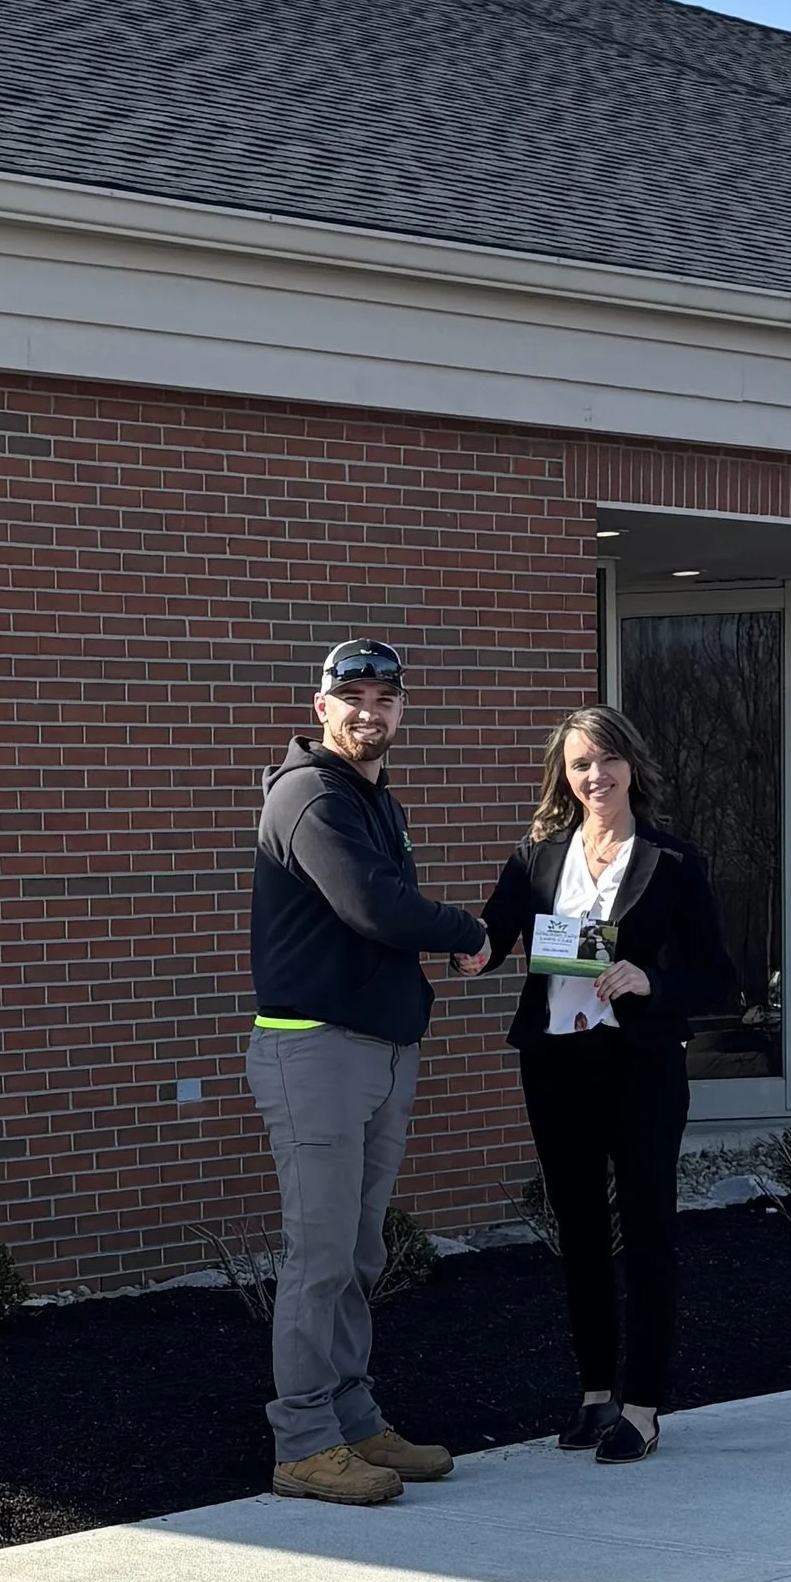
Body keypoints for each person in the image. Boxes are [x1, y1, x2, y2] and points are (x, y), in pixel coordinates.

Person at [456, 705, 735, 1464]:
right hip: (555, 1065)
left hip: (640, 1066)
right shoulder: (538, 854)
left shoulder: (672, 861)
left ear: (632, 765)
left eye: (608, 759)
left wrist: (650, 977)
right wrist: (453, 946)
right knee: (577, 1231)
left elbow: (720, 980)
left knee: (647, 1231)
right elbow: (491, 937)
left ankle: (641, 1406)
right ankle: (592, 1395)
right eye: (581, 763)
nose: (596, 775)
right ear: (564, 775)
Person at [248, 638, 490, 1507]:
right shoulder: (312, 796)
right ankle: (304, 1441)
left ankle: (352, 1418)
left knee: (356, 1249)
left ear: (401, 712)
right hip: (317, 1052)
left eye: (385, 697)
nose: (369, 710)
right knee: (319, 1256)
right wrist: (467, 931)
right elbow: (374, 906)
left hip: (376, 1052)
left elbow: (377, 920)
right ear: (320, 708)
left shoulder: (373, 799)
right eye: (352, 695)